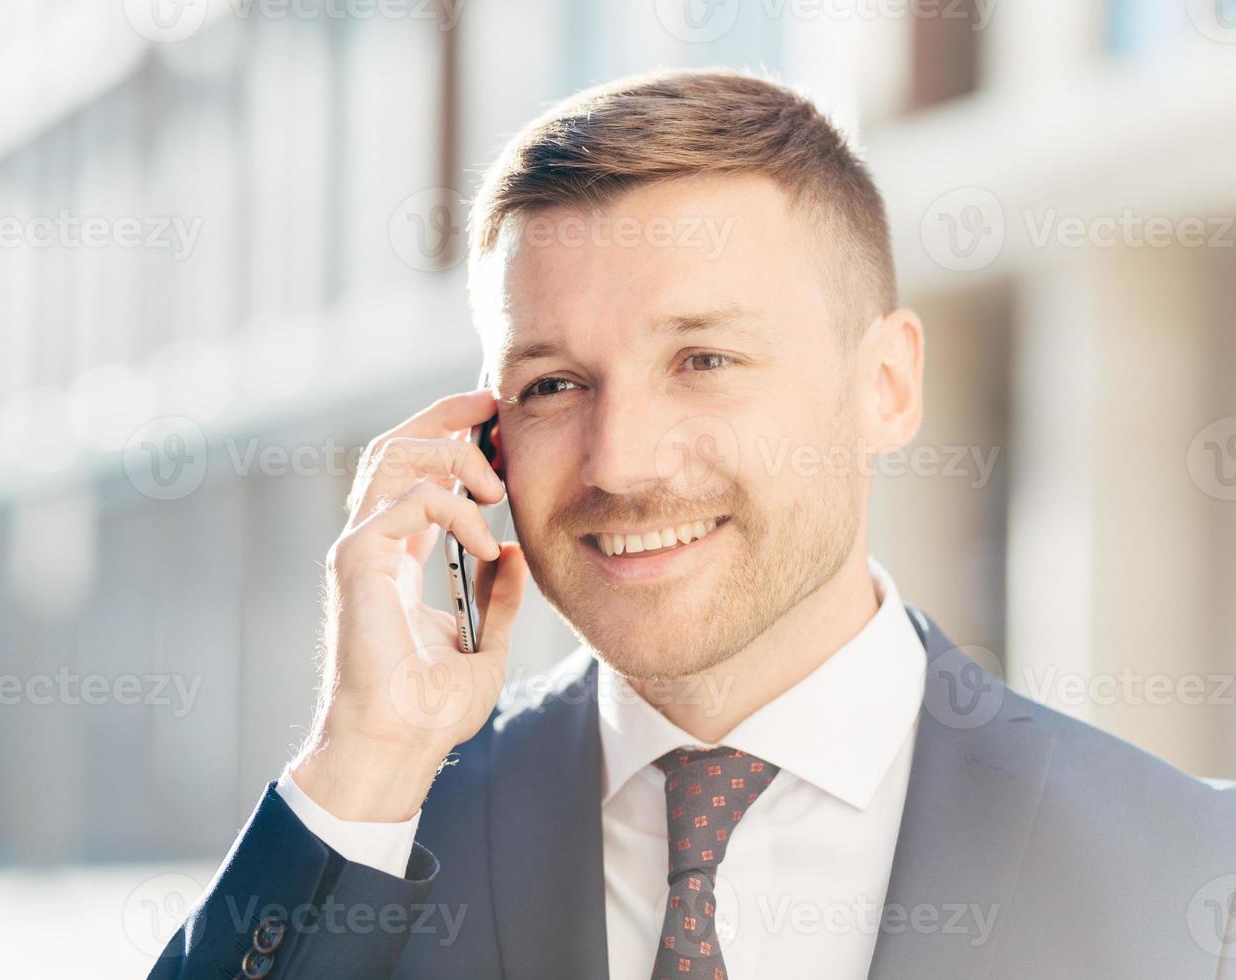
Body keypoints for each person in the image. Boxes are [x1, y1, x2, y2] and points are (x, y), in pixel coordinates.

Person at [149, 68, 1236, 979]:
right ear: (483, 438)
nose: (619, 460)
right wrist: (367, 756)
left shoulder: (1185, 870)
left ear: (889, 385)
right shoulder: (368, 848)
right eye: (554, 384)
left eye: (703, 359)